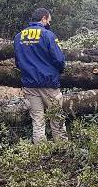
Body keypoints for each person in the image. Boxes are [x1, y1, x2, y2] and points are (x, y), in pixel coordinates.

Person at [13, 8, 67, 143]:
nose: (49, 22)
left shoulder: (19, 37)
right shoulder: (48, 35)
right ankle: (62, 147)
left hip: (29, 84)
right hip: (48, 83)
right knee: (56, 117)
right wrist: (60, 70)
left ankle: (39, 152)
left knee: (37, 119)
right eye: (49, 20)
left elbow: (18, 61)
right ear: (43, 18)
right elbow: (59, 59)